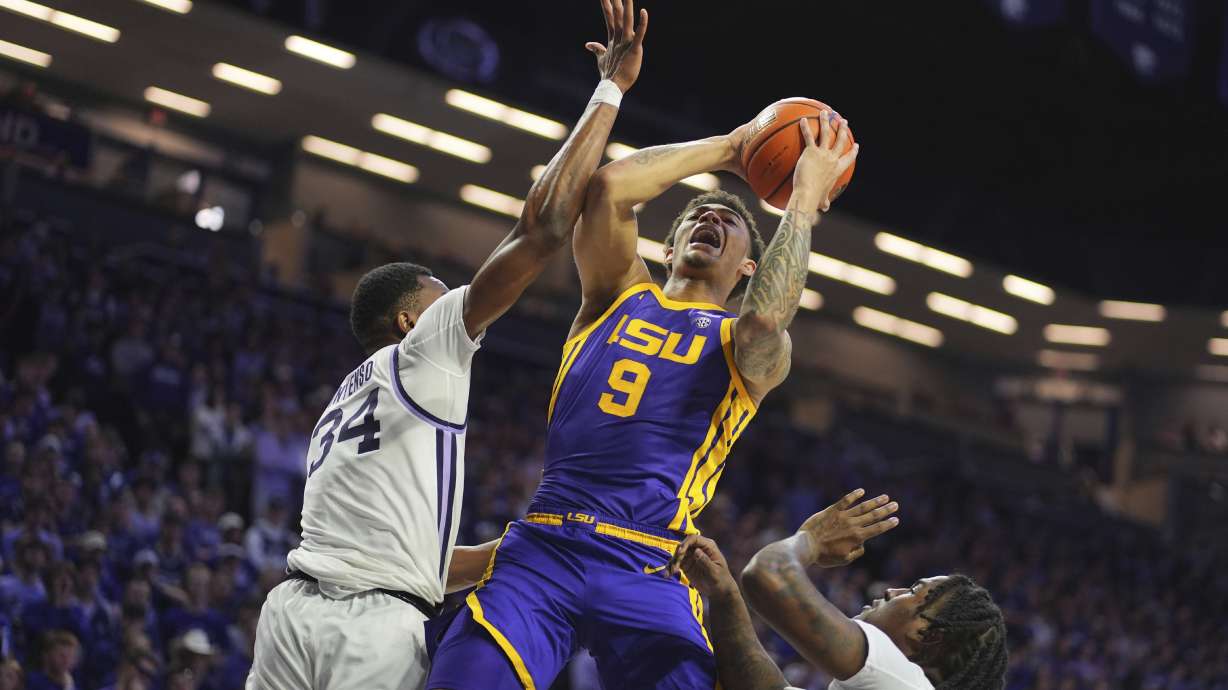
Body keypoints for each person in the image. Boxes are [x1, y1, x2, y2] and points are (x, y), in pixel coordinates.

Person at [426, 29, 858, 690]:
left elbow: (770, 314)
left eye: (729, 220)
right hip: (544, 544)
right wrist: (734, 147)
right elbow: (607, 190)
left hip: (651, 561)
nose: (711, 217)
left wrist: (802, 196)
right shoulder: (616, 294)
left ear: (748, 266)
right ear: (668, 243)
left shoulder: (748, 345)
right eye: (697, 215)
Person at [244, 1, 645, 687]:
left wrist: (514, 549)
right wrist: (611, 89)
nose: (459, 302)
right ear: (409, 321)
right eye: (440, 293)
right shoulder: (427, 348)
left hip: (293, 612)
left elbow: (408, 558)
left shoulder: (340, 408)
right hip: (367, 629)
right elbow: (545, 228)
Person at [670, 489, 1008, 690]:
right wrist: (725, 595)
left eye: (914, 592)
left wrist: (812, 542)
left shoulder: (901, 679)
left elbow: (768, 577)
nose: (892, 591)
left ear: (928, 633)